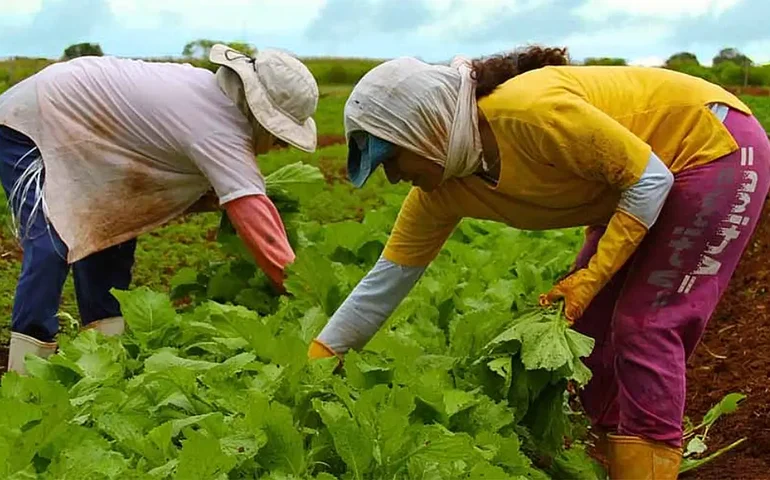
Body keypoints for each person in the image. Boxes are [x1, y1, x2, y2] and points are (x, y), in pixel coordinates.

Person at [307, 46, 770, 479]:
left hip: (712, 148)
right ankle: (607, 455)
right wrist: (316, 365)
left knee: (644, 324)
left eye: (391, 158)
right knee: (584, 332)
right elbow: (384, 284)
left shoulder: (527, 112)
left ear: (425, 130)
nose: (392, 176)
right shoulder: (439, 191)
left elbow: (649, 181)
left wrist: (589, 279)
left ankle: (649, 457)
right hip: (638, 185)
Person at [0, 44, 319, 375]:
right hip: (33, 121)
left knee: (112, 234)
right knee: (52, 242)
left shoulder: (207, 98)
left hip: (89, 134)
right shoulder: (217, 125)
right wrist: (304, 292)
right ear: (258, 112)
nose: (279, 144)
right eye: (280, 135)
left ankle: (104, 362)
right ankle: (25, 374)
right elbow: (256, 221)